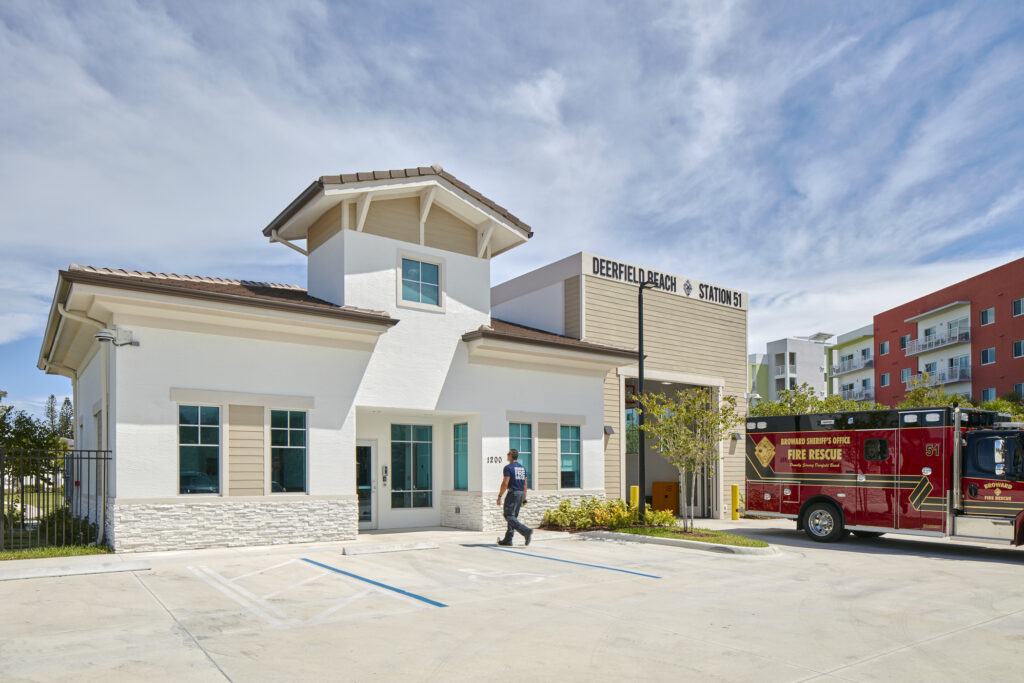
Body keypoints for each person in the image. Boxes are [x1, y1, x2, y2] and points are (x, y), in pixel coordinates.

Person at [497, 448, 532, 546]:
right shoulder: (522, 468)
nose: (507, 456)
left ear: (511, 456)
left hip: (512, 493)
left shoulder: (508, 468)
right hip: (520, 493)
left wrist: (499, 496)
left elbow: (505, 483)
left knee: (508, 515)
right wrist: (524, 497)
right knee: (513, 517)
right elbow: (525, 484)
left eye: (508, 454)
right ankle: (508, 539)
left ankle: (526, 531)